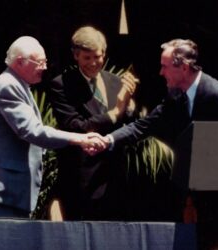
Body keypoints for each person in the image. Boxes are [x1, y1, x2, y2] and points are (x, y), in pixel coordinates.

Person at [90, 39, 218, 221]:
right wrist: (108, 140)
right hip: (188, 189)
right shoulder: (175, 94)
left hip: (217, 192)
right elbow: (144, 125)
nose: (161, 72)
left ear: (183, 68)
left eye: (165, 67)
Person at [0, 36, 105, 218]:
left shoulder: (19, 85)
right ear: (19, 62)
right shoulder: (8, 86)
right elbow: (32, 131)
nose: (45, 67)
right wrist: (80, 138)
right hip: (0, 192)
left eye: (45, 61)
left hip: (9, 193)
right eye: (39, 62)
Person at [47, 26, 138, 221]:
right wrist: (114, 113)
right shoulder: (61, 84)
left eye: (97, 57)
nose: (93, 63)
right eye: (87, 58)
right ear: (75, 56)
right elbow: (76, 126)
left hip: (114, 176)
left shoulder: (115, 81)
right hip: (82, 178)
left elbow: (129, 124)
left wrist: (129, 108)